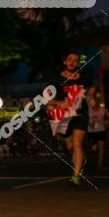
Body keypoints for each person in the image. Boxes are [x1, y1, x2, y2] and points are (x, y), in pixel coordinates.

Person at [46, 51, 94, 186]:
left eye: (75, 60)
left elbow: (91, 88)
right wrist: (58, 103)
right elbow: (46, 99)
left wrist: (90, 97)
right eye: (70, 60)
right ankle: (80, 161)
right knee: (70, 145)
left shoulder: (84, 78)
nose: (72, 62)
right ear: (65, 62)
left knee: (78, 143)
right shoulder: (56, 79)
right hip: (65, 117)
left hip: (81, 114)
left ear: (78, 63)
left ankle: (75, 175)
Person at [87, 90, 108, 170]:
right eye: (92, 102)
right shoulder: (89, 110)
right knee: (94, 149)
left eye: (95, 101)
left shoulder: (103, 110)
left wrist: (107, 118)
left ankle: (100, 162)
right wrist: (90, 124)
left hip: (101, 130)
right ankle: (93, 149)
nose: (93, 103)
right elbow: (86, 119)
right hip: (91, 132)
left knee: (101, 147)